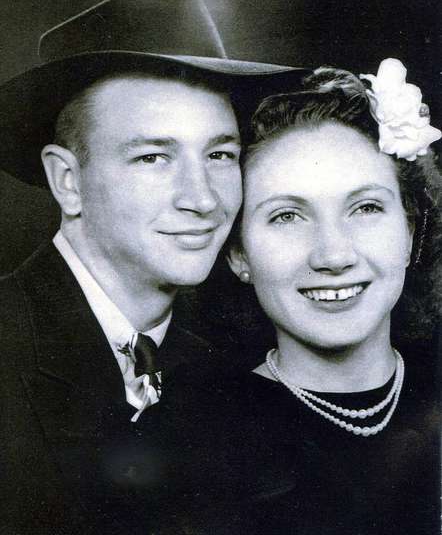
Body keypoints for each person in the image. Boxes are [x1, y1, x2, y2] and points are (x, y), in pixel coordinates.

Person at [0, 0, 307, 535]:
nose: (203, 199)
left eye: (219, 155)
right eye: (153, 158)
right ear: (68, 181)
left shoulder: (228, 370)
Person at [155, 59, 441, 535]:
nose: (333, 255)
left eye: (366, 207)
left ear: (411, 231)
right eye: (287, 216)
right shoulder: (190, 438)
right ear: (239, 254)